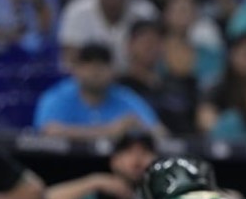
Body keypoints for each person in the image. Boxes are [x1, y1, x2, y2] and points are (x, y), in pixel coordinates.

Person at [34, 43, 165, 141]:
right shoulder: (58, 96)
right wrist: (110, 131)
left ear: (113, 70)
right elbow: (47, 131)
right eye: (88, 63)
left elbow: (160, 133)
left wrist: (139, 126)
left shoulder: (125, 96)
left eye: (102, 64)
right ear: (76, 69)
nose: (95, 70)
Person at [57, 0, 158, 69]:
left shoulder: (145, 11)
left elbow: (155, 53)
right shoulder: (77, 10)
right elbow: (70, 58)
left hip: (133, 80)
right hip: (90, 80)